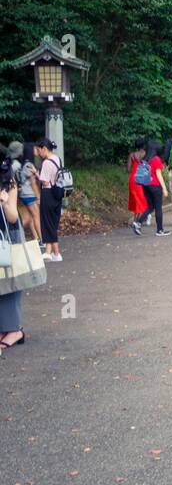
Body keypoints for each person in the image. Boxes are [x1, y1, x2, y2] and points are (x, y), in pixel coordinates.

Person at [0, 156, 28, 351]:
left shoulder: (10, 184)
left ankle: (16, 330)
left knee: (11, 282)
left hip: (10, 238)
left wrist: (3, 201)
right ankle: (5, 328)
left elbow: (12, 216)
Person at [34, 139, 65, 262]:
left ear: (44, 149)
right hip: (57, 193)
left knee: (47, 222)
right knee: (52, 222)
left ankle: (56, 253)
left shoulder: (46, 162)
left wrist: (37, 175)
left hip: (48, 193)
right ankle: (49, 252)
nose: (38, 153)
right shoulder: (58, 159)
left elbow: (45, 180)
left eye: (39, 150)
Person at [9, 142, 41, 244]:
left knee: (30, 218)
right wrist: (38, 196)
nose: (37, 150)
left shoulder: (17, 164)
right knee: (36, 216)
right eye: (35, 149)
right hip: (29, 194)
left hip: (22, 193)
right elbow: (32, 183)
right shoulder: (28, 165)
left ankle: (35, 239)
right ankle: (42, 239)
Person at [127, 142, 150, 233]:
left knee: (136, 200)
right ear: (144, 145)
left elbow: (128, 169)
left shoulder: (132, 155)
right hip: (143, 179)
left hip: (133, 178)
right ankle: (136, 221)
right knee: (142, 200)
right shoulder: (146, 154)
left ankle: (136, 221)